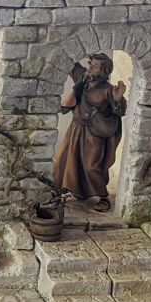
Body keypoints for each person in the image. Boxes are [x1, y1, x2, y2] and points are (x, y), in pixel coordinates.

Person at [53, 53, 127, 212]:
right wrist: (77, 50)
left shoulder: (107, 89)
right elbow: (71, 63)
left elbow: (119, 111)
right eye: (91, 64)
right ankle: (59, 190)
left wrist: (118, 99)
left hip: (94, 133)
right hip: (76, 127)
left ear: (103, 71)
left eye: (95, 66)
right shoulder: (82, 77)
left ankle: (103, 197)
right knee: (62, 159)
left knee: (91, 166)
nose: (90, 68)